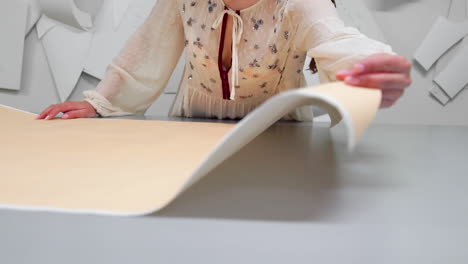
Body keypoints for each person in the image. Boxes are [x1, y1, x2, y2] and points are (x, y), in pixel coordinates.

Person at [37, 0, 412, 121]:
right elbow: (146, 49)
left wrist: (372, 67)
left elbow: (338, 41)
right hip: (191, 127)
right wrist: (97, 103)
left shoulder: (296, 4)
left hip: (278, 136)